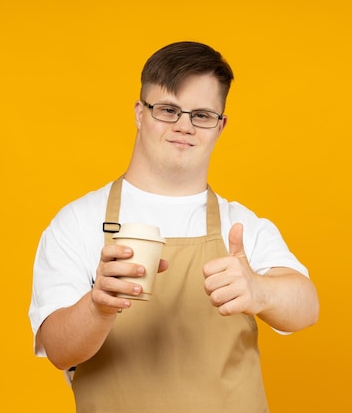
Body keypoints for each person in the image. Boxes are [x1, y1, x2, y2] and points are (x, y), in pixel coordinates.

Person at [28, 41, 319, 413]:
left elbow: (307, 306)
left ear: (220, 126)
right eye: (168, 110)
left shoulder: (239, 226)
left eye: (201, 115)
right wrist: (98, 307)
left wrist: (260, 290)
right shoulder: (78, 222)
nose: (184, 125)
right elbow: (58, 349)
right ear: (139, 112)